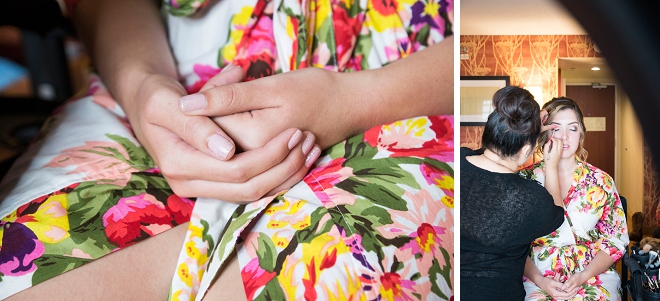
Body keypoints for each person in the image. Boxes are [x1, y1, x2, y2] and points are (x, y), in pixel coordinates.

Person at [0, 0, 454, 300]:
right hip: (162, 86)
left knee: (326, 278)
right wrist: (143, 88)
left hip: (416, 95)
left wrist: (355, 99)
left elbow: (520, 32)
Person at [460, 86, 566, 300]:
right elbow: (557, 214)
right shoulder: (529, 199)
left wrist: (528, 131)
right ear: (527, 150)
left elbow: (484, 154)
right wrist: (551, 167)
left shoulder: (459, 159)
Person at [520, 97, 630, 301]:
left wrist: (583, 276)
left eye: (572, 128)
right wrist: (541, 281)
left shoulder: (600, 181)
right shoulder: (524, 179)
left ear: (581, 134)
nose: (564, 137)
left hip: (591, 273)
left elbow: (615, 240)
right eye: (555, 128)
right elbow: (512, 242)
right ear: (543, 133)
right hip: (537, 275)